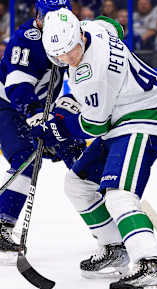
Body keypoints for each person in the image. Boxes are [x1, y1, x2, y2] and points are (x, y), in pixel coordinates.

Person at [39, 7, 157, 289]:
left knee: (118, 195)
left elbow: (93, 124)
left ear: (79, 37)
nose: (68, 59)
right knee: (77, 185)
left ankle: (148, 265)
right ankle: (115, 248)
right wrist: (62, 108)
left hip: (142, 117)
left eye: (72, 51)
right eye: (61, 55)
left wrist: (60, 130)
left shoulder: (93, 74)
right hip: (122, 112)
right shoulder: (93, 29)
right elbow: (115, 25)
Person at [0, 0, 85, 265]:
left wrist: (73, 103)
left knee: (76, 152)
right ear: (39, 16)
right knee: (26, 157)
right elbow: (18, 87)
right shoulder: (26, 40)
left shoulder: (71, 32)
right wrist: (36, 117)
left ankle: (109, 229)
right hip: (9, 107)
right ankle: (3, 224)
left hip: (45, 109)